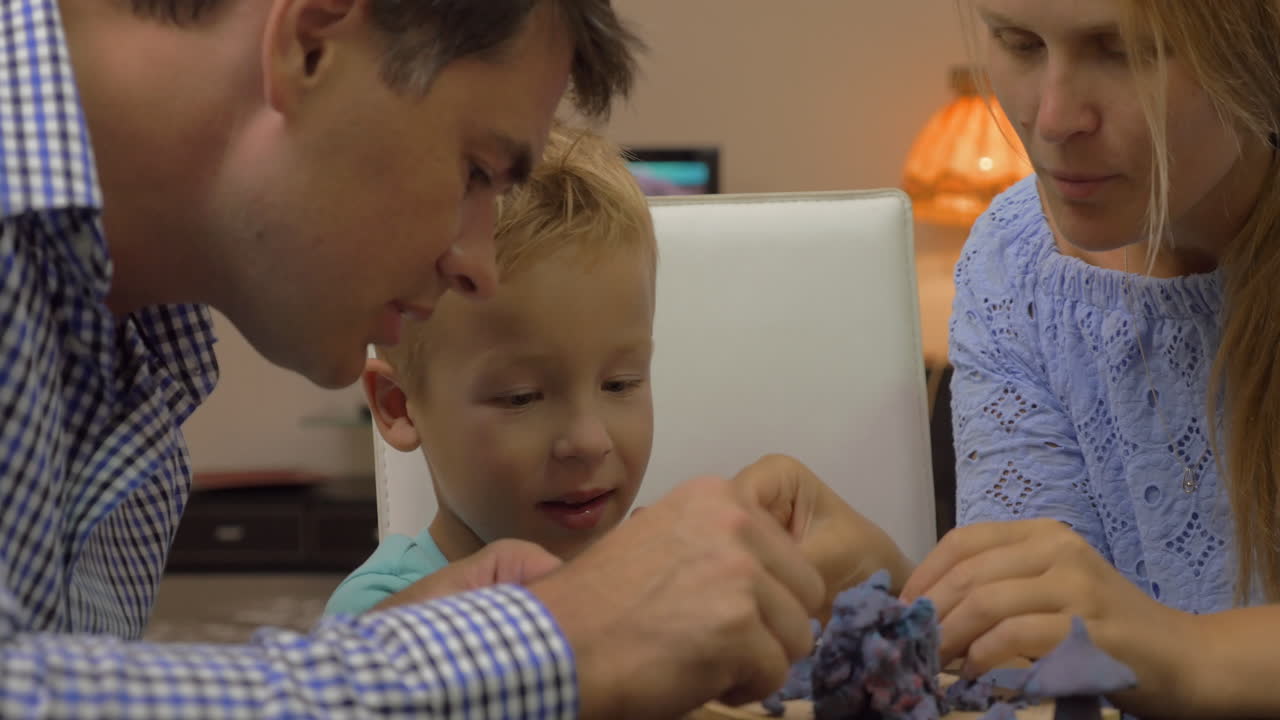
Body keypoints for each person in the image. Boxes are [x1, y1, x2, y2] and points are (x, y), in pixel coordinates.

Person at [0, 1, 848, 717]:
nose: (476, 263)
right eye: (476, 170)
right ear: (313, 43)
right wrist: (536, 652)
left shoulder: (125, 343)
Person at [896, 1, 1280, 716]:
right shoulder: (1015, 264)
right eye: (1018, 42)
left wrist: (1191, 657)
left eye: (1124, 51)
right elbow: (1025, 652)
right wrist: (891, 586)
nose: (1053, 118)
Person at [325, 125, 658, 616]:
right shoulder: (385, 615)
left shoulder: (654, 573)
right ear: (399, 405)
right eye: (520, 397)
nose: (590, 442)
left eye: (620, 383)